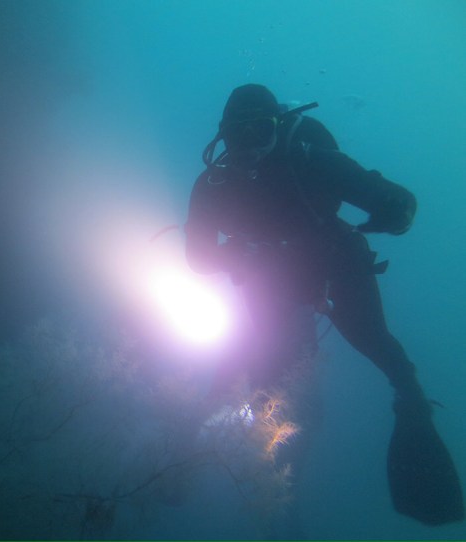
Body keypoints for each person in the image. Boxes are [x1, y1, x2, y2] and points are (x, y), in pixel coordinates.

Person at [184, 83, 463, 526]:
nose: (249, 146)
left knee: (375, 344)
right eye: (239, 134)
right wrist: (236, 255)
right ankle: (268, 488)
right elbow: (197, 257)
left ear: (278, 127)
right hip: (270, 281)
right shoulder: (214, 184)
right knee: (263, 374)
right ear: (222, 135)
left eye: (260, 131)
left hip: (333, 263)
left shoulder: (312, 160)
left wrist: (396, 212)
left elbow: (398, 200)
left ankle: (410, 404)